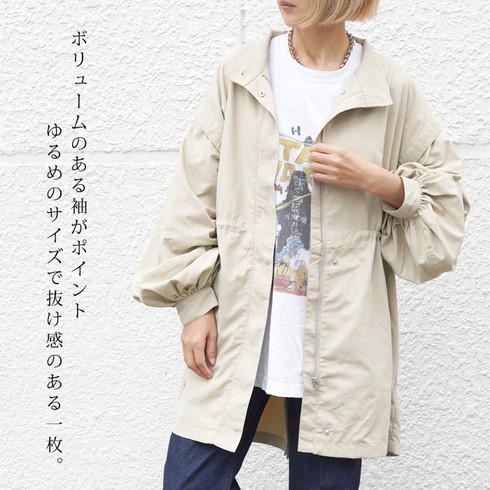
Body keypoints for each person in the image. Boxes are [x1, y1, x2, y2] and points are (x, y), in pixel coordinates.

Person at [131, 0, 470, 488]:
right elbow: (192, 195)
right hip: (239, 334)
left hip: (340, 349)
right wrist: (194, 304)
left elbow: (444, 215)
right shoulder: (243, 73)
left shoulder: (388, 88)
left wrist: (380, 182)